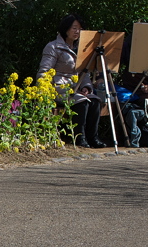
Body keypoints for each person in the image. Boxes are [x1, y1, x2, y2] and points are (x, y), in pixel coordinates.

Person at [37, 14, 105, 148]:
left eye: (80, 29)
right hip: (58, 87)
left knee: (95, 100)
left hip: (76, 87)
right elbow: (44, 71)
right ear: (66, 29)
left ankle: (93, 138)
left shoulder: (81, 49)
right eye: (74, 28)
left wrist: (86, 87)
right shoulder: (53, 47)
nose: (77, 32)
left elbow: (83, 72)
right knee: (82, 101)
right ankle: (79, 138)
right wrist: (44, 90)